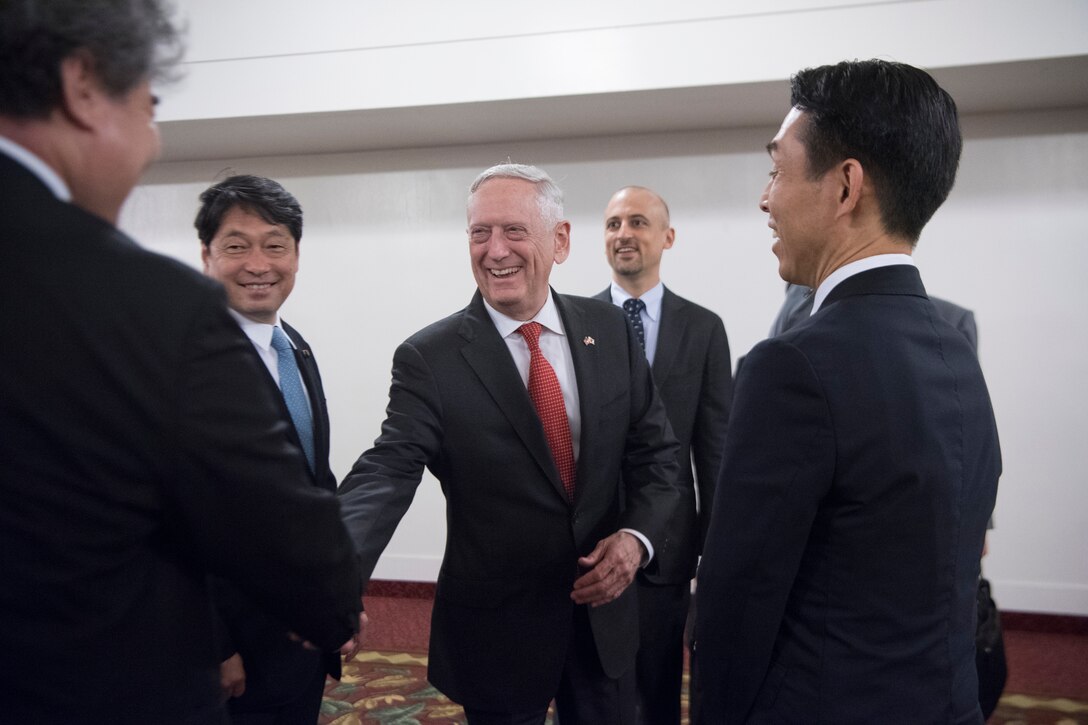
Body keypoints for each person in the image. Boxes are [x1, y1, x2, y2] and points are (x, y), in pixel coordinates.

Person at [0, 4, 360, 724]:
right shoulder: (149, 307)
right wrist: (324, 602)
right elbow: (274, 521)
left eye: (275, 245)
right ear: (82, 85)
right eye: (151, 107)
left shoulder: (298, 348)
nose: (153, 141)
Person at [693, 59, 1001, 724]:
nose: (765, 197)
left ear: (845, 186)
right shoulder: (956, 350)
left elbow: (735, 604)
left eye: (777, 168)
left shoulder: (793, 365)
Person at [338, 163, 681, 724]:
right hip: (498, 629)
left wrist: (637, 538)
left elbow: (657, 456)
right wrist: (336, 572)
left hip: (603, 618)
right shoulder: (431, 358)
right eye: (480, 233)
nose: (495, 250)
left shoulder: (611, 330)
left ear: (560, 240)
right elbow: (388, 469)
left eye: (515, 231)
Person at [196, 175, 342, 724]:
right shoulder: (185, 364)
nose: (258, 263)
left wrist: (333, 598)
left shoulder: (294, 348)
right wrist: (215, 644)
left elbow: (313, 484)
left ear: (297, 255)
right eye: (236, 246)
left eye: (275, 244)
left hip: (298, 634)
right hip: (229, 648)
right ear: (207, 256)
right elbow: (169, 520)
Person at [592, 185, 731, 725]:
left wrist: (715, 559)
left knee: (656, 692)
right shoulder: (574, 323)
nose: (623, 233)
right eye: (612, 224)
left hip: (667, 551)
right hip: (591, 546)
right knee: (595, 692)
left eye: (638, 222)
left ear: (667, 237)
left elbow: (715, 454)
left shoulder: (703, 329)